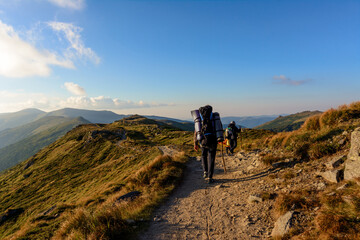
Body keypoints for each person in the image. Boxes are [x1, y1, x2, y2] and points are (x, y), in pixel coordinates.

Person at [193, 105, 223, 184]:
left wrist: (195, 143)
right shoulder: (214, 116)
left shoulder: (199, 119)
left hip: (203, 140)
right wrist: (220, 138)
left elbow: (196, 131)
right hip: (212, 139)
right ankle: (210, 177)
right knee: (211, 158)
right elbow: (219, 127)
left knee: (203, 155)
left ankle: (205, 172)